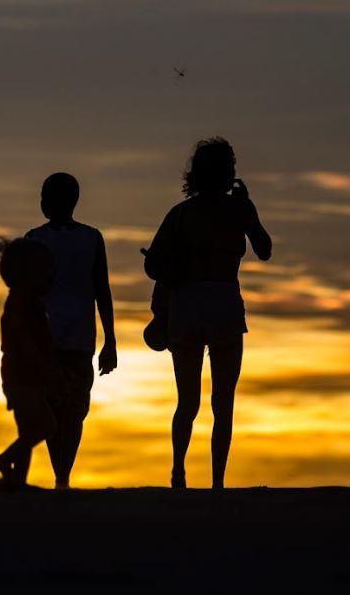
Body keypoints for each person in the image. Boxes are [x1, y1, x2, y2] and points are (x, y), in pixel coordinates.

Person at [144, 138, 272, 489]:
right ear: (229, 172)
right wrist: (248, 210)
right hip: (224, 305)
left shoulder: (181, 213)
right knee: (223, 402)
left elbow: (152, 265)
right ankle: (217, 481)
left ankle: (178, 472)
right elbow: (265, 250)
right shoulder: (239, 210)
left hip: (186, 306)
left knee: (187, 401)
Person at [25, 172, 116, 489]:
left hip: (74, 340)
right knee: (59, 408)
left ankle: (62, 474)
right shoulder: (37, 238)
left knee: (71, 408)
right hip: (55, 340)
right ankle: (61, 474)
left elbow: (101, 290)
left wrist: (111, 342)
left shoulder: (89, 238)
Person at [0, 237, 59, 489]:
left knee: (28, 428)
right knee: (45, 426)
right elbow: (23, 336)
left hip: (20, 374)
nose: (51, 276)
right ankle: (4, 459)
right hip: (23, 374)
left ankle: (18, 479)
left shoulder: (24, 300)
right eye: (45, 269)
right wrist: (43, 365)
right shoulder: (22, 301)